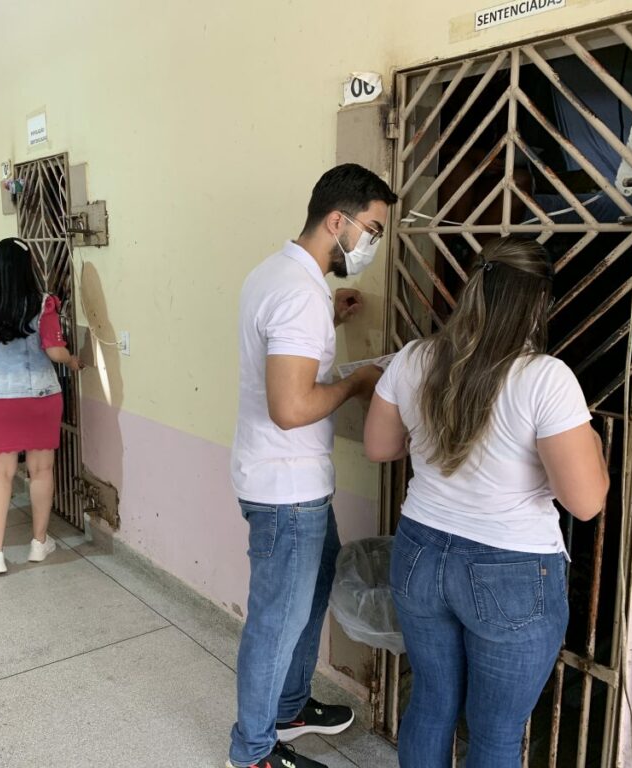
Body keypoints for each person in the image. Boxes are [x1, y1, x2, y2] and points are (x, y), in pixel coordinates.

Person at [363, 236, 610, 768]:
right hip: (510, 569)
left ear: (473, 285)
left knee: (431, 702)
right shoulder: (546, 378)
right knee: (495, 731)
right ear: (539, 301)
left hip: (420, 553)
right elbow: (586, 502)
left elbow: (380, 447)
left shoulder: (414, 358)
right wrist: (591, 443)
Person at [228, 164, 397, 768]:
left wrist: (332, 320)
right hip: (286, 490)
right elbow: (291, 407)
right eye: (372, 230)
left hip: (288, 481)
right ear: (337, 221)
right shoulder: (300, 294)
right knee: (277, 621)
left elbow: (285, 356)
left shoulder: (279, 275)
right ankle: (252, 752)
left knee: (313, 591)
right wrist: (356, 382)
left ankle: (289, 708)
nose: (373, 243)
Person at [0, 238, 82, 575]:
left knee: (0, 474)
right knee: (41, 470)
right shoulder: (42, 304)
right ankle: (39, 543)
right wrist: (72, 360)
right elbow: (55, 351)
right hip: (40, 397)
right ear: (28, 267)